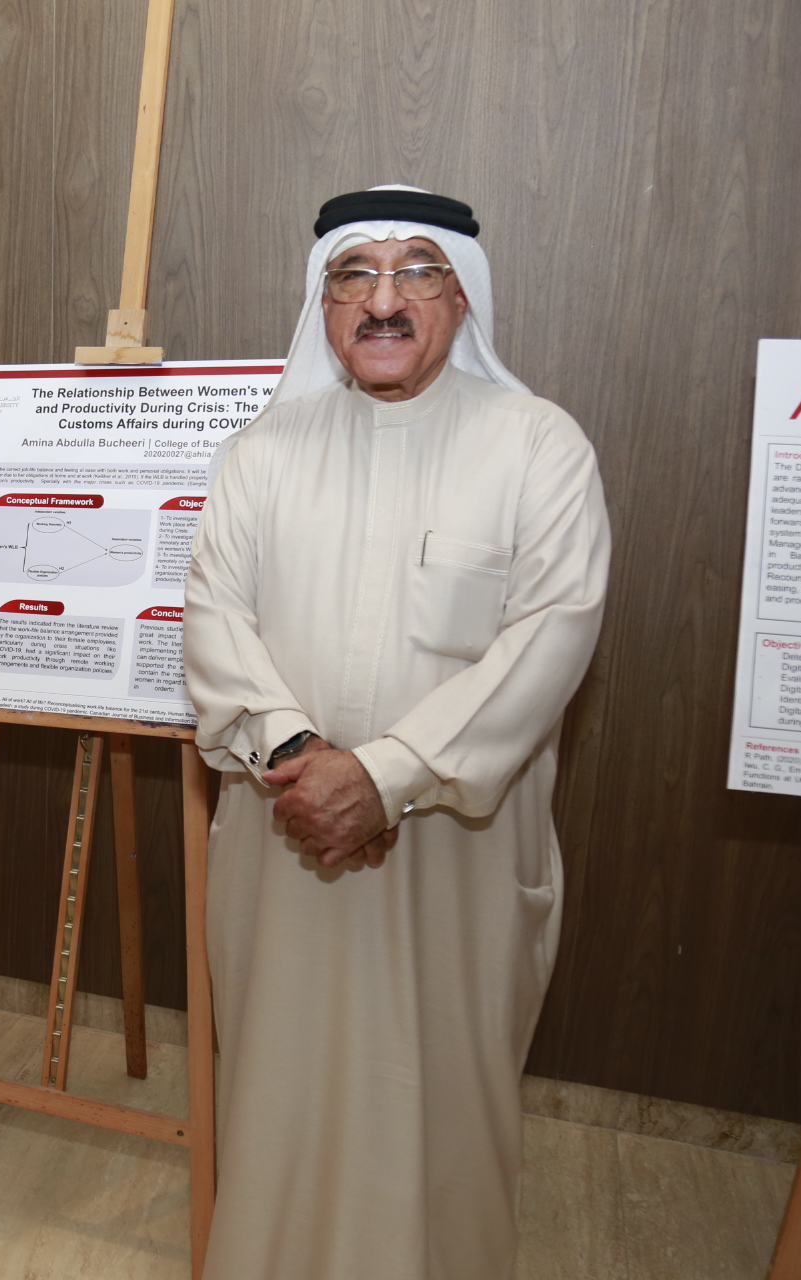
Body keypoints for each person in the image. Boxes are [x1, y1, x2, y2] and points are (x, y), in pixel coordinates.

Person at [184, 186, 610, 1279]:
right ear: (323, 302)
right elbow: (214, 619)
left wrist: (385, 777)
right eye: (354, 275)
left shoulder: (539, 446)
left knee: (442, 1114)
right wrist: (299, 760)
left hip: (455, 863)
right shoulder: (263, 450)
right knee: (278, 1095)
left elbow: (552, 636)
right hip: (285, 840)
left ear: (462, 297)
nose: (384, 299)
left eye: (417, 270)